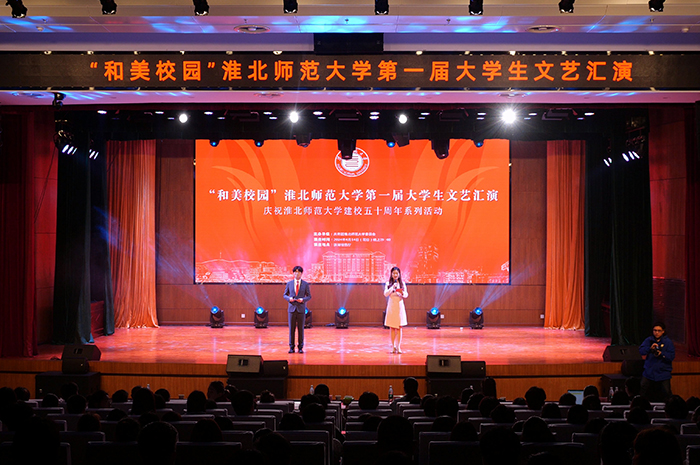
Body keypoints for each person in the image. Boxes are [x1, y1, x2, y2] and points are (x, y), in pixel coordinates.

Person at [639, 322, 675, 402]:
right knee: (642, 388)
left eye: (659, 331)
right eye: (655, 330)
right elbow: (641, 351)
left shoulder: (668, 342)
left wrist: (661, 354)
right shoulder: (649, 340)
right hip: (649, 371)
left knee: (667, 392)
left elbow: (671, 356)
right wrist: (650, 349)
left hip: (663, 372)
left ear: (663, 331)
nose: (656, 332)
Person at [283, 265, 311, 353]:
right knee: (291, 329)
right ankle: (291, 347)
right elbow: (285, 295)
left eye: (298, 272)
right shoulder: (289, 283)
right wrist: (289, 299)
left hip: (301, 309)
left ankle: (300, 347)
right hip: (291, 309)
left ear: (301, 273)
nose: (296, 274)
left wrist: (303, 300)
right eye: (295, 272)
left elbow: (309, 296)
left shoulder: (305, 284)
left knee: (300, 329)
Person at [383, 266, 408, 354]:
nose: (395, 275)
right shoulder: (388, 284)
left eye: (397, 273)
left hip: (399, 306)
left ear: (399, 274)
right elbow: (385, 294)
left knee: (399, 327)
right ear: (391, 274)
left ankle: (398, 346)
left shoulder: (402, 284)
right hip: (392, 306)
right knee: (392, 327)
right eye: (393, 273)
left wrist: (401, 293)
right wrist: (392, 287)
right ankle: (393, 346)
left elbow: (406, 295)